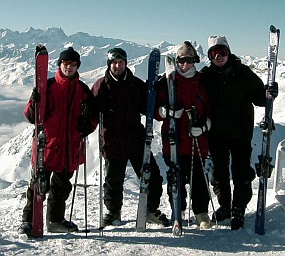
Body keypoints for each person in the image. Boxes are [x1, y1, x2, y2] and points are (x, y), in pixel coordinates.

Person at [200, 36, 279, 230]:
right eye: (214, 53)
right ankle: (224, 206)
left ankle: (239, 207)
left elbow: (260, 98)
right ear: (209, 56)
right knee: (219, 172)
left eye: (222, 52)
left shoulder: (243, 73)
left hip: (241, 132)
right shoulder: (205, 76)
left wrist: (270, 93)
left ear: (228, 52)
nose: (219, 56)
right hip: (216, 132)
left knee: (241, 171)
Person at [18, 47, 97, 236]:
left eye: (73, 64)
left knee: (61, 188)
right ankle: (28, 221)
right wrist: (33, 100)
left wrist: (88, 126)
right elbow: (31, 117)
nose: (69, 67)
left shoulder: (83, 90)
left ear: (77, 66)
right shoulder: (48, 86)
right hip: (48, 146)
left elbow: (93, 117)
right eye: (65, 63)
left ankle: (55, 220)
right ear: (60, 64)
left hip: (71, 147)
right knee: (38, 185)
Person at [92, 48, 169, 227]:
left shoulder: (135, 84)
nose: (118, 66)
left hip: (135, 137)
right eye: (114, 63)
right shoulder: (101, 85)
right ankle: (113, 212)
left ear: (126, 63)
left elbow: (148, 108)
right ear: (109, 64)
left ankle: (149, 210)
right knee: (113, 180)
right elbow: (92, 113)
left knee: (153, 175)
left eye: (121, 62)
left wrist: (158, 96)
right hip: (112, 139)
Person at [155, 41, 212, 229]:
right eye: (181, 60)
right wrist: (166, 111)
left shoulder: (203, 82)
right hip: (173, 140)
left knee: (198, 179)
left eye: (189, 60)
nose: (185, 64)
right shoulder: (167, 81)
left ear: (195, 60)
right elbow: (154, 111)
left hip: (197, 141)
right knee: (175, 178)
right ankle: (177, 210)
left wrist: (203, 126)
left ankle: (201, 213)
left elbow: (212, 113)